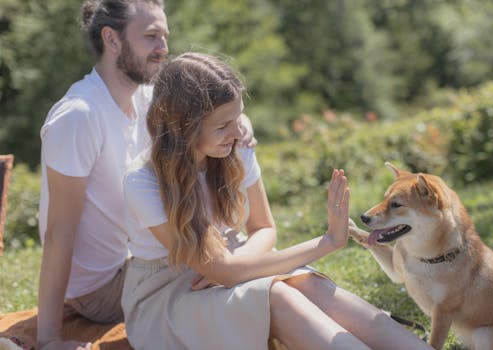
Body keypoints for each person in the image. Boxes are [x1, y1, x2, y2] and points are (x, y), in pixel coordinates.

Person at [121, 52, 433, 350]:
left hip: (230, 261)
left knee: (307, 285)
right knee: (277, 296)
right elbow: (225, 272)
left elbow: (263, 228)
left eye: (238, 117)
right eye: (222, 126)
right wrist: (326, 242)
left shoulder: (234, 146)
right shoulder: (143, 181)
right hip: (168, 296)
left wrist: (235, 262)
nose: (237, 132)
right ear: (184, 128)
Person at [36, 1, 257, 349]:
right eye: (151, 36)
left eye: (164, 36)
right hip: (104, 286)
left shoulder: (148, 101)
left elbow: (209, 114)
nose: (163, 49)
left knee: (240, 261)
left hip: (149, 255)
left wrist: (239, 122)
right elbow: (58, 233)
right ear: (112, 39)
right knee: (238, 270)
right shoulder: (78, 117)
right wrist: (49, 339)